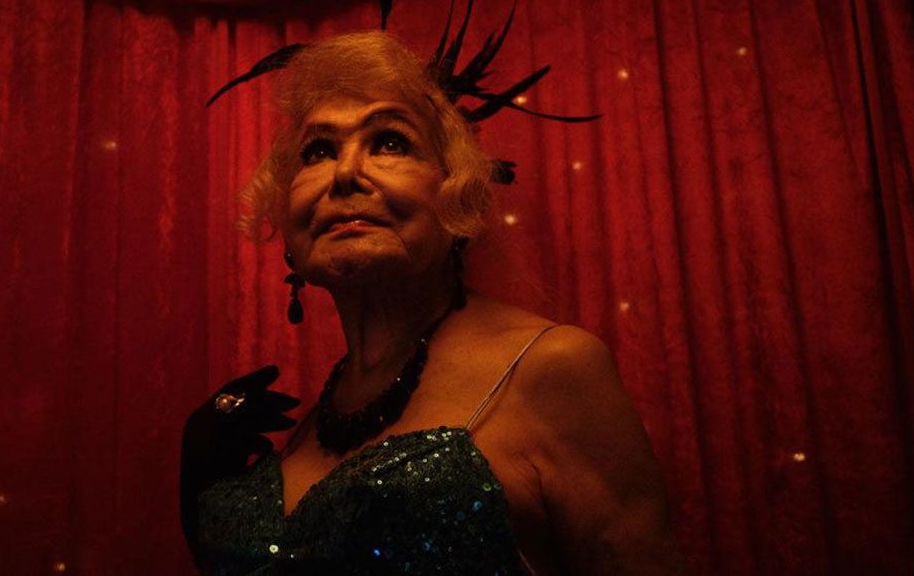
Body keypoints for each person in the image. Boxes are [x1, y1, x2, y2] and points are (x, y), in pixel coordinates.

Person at [180, 30, 686, 574]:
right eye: (318, 151)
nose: (344, 174)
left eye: (390, 142)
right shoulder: (312, 421)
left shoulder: (554, 368)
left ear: (456, 194)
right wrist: (204, 498)